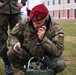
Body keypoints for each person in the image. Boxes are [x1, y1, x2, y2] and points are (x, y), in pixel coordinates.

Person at [7, 4, 66, 75]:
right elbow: (13, 35)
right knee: (11, 53)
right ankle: (28, 69)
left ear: (46, 18)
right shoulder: (24, 23)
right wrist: (15, 43)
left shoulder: (55, 28)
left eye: (39, 23)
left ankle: (45, 71)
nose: (35, 25)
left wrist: (43, 39)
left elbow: (58, 51)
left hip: (46, 56)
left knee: (60, 64)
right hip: (27, 53)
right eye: (33, 22)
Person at [0, 0, 27, 75]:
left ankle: (21, 60)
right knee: (1, 37)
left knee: (20, 35)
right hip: (1, 10)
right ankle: (7, 62)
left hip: (15, 9)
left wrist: (23, 2)